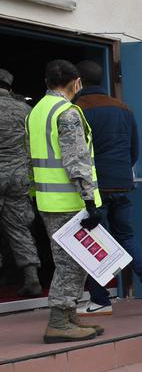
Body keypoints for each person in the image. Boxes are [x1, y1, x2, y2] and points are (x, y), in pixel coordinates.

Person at [73, 61, 142, 315]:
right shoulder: (124, 109)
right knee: (125, 235)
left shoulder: (77, 110)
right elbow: (133, 149)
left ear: (78, 82)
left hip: (95, 186)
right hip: (122, 182)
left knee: (94, 240)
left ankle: (100, 299)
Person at [27, 60, 104, 343]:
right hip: (69, 202)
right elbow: (77, 161)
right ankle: (59, 321)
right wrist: (90, 201)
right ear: (76, 82)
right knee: (72, 262)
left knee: (73, 260)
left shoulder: (35, 112)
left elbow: (29, 159)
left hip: (49, 201)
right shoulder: (67, 113)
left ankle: (69, 315)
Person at [0, 68, 42, 297]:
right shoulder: (27, 110)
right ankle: (32, 277)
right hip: (18, 177)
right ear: (10, 87)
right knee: (18, 227)